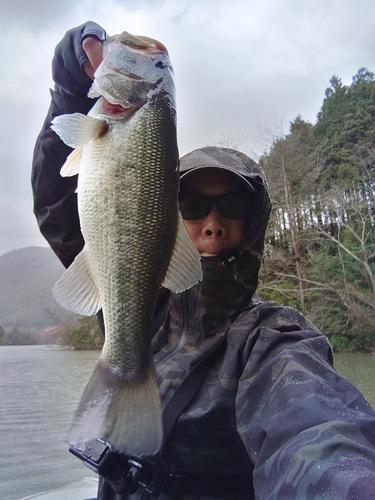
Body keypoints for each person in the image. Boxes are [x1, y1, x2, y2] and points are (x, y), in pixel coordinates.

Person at [32, 22, 375, 500]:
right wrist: (68, 93)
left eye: (232, 206)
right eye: (193, 206)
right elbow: (59, 211)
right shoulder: (141, 301)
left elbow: (317, 430)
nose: (212, 223)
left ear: (254, 222)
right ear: (167, 213)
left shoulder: (273, 338)